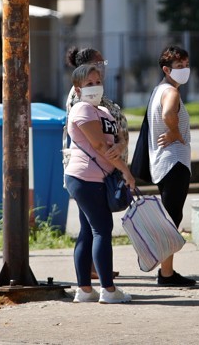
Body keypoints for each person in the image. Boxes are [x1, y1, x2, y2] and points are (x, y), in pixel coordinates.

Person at [65, 63, 136, 304]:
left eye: (97, 82)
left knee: (88, 232)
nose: (95, 87)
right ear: (78, 89)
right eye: (89, 84)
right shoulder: (82, 109)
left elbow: (118, 138)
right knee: (102, 230)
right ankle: (108, 289)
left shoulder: (103, 112)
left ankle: (85, 290)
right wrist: (125, 171)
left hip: (96, 178)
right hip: (86, 177)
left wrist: (121, 145)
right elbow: (98, 145)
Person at [146, 46, 196, 287]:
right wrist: (176, 132)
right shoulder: (171, 93)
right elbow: (168, 114)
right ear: (166, 70)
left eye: (186, 65)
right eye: (179, 67)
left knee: (170, 217)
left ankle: (167, 271)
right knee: (172, 218)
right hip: (174, 162)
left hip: (163, 163)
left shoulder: (159, 90)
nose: (185, 70)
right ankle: (166, 274)